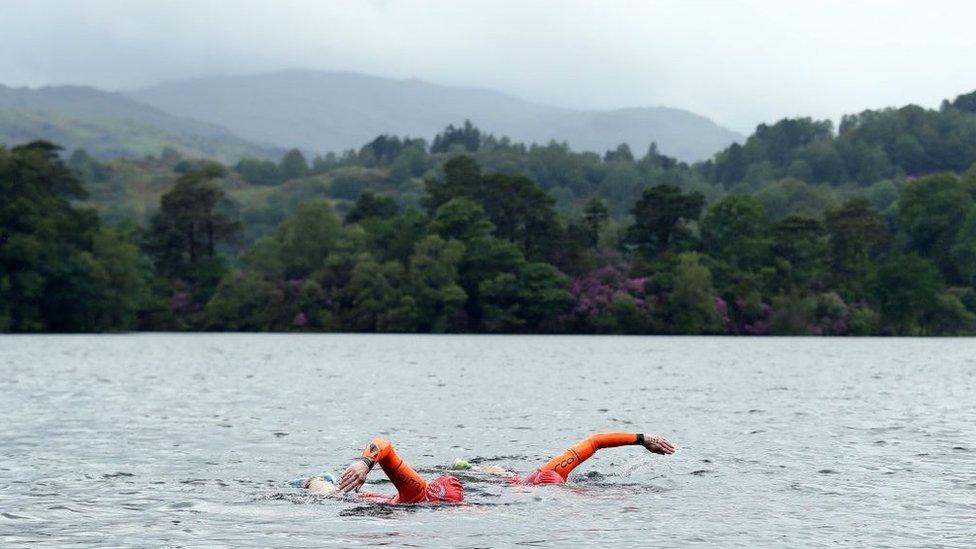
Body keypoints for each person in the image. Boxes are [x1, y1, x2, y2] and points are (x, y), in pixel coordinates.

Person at [295, 431, 676, 505]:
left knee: (500, 476)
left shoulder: (550, 475)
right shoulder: (418, 491)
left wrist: (642, 439)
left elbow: (592, 442)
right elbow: (592, 443)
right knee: (501, 477)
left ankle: (475, 467)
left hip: (388, 500)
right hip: (391, 498)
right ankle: (318, 480)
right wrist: (641, 439)